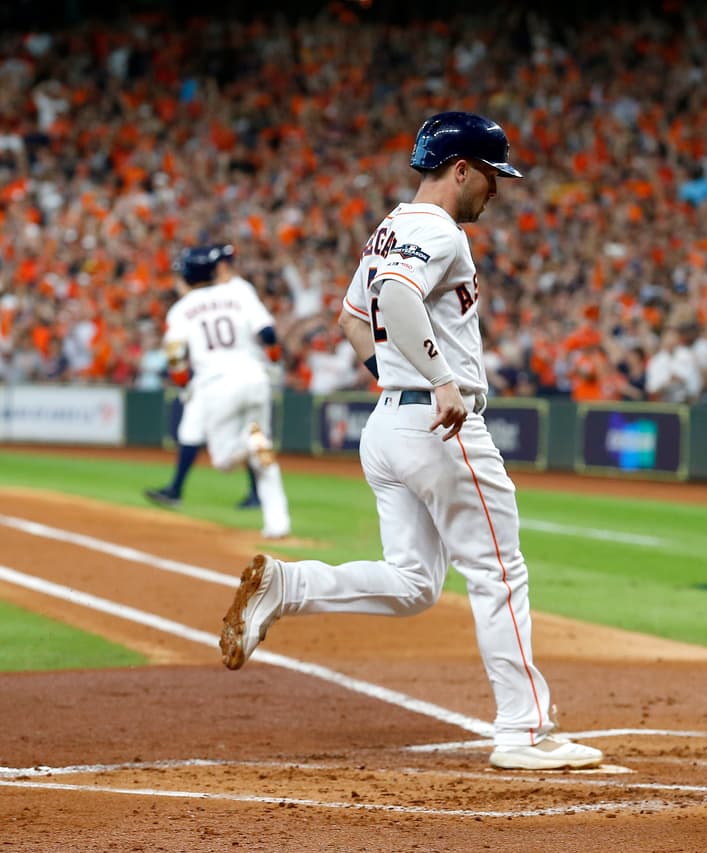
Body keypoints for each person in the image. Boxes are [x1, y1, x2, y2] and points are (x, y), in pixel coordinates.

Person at [217, 111, 604, 772]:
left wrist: (396, 377)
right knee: (498, 571)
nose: (497, 188)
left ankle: (287, 584)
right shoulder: (437, 228)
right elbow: (397, 297)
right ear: (462, 170)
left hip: (391, 424)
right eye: (492, 175)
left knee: (415, 581)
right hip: (438, 424)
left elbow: (350, 317)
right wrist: (439, 381)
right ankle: (524, 730)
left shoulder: (389, 228)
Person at [144, 244, 291, 536]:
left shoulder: (182, 309)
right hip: (255, 378)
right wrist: (274, 359)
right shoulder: (238, 293)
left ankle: (251, 445)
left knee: (224, 460)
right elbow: (269, 334)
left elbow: (175, 357)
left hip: (218, 385)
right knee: (263, 453)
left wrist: (183, 382)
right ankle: (278, 522)